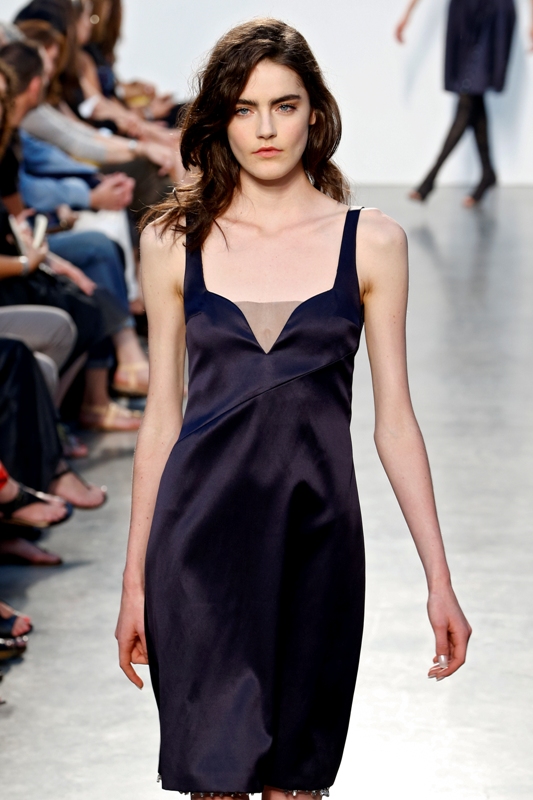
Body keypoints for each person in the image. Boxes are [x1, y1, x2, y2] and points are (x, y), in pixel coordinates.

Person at [116, 19, 471, 798]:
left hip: (317, 546)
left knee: (296, 788)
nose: (265, 129)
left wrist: (438, 579)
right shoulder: (174, 239)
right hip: (197, 550)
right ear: (220, 118)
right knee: (214, 783)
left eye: (283, 105)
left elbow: (394, 421)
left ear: (315, 112)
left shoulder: (371, 243)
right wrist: (134, 581)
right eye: (244, 109)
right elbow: (161, 418)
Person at [396, 0, 529, 206]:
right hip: (464, 13)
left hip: (493, 12)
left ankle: (430, 178)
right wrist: (408, 13)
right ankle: (487, 173)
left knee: (470, 96)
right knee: (473, 95)